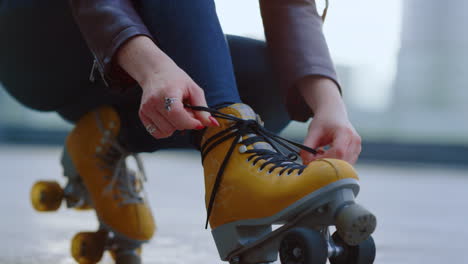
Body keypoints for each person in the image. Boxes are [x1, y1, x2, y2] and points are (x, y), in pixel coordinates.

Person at [0, 0, 362, 262]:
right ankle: (232, 174)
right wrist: (152, 67)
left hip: (115, 64)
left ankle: (106, 137)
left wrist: (329, 102)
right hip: (33, 42)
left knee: (274, 82)